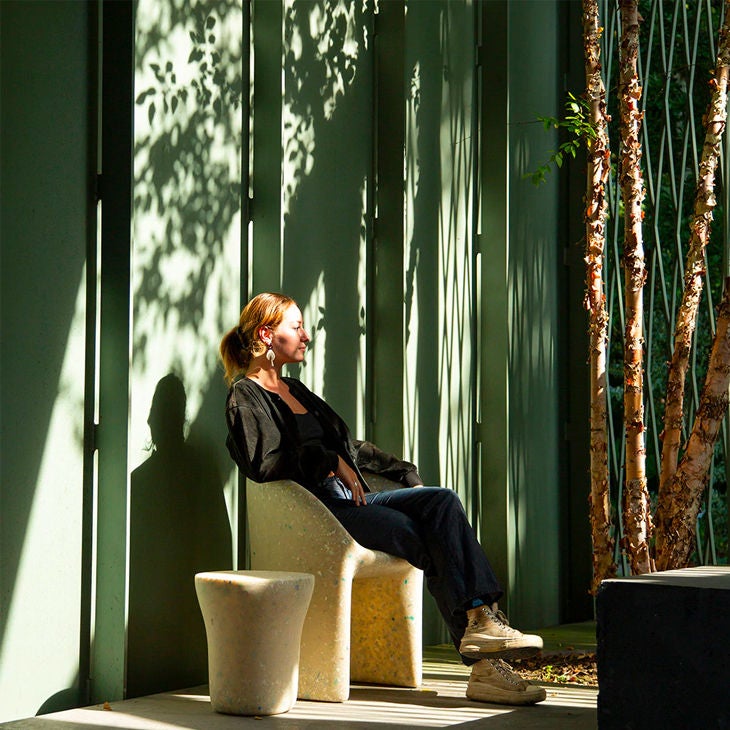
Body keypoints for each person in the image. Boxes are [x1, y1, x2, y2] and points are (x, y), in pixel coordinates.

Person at [220, 292, 546, 706]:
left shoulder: (296, 389)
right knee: (419, 533)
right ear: (267, 334)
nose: (306, 336)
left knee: (441, 501)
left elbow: (349, 447)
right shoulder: (245, 397)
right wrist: (327, 461)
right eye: (296, 326)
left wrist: (403, 471)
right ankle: (483, 660)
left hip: (354, 501)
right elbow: (262, 463)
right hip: (321, 514)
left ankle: (481, 623)